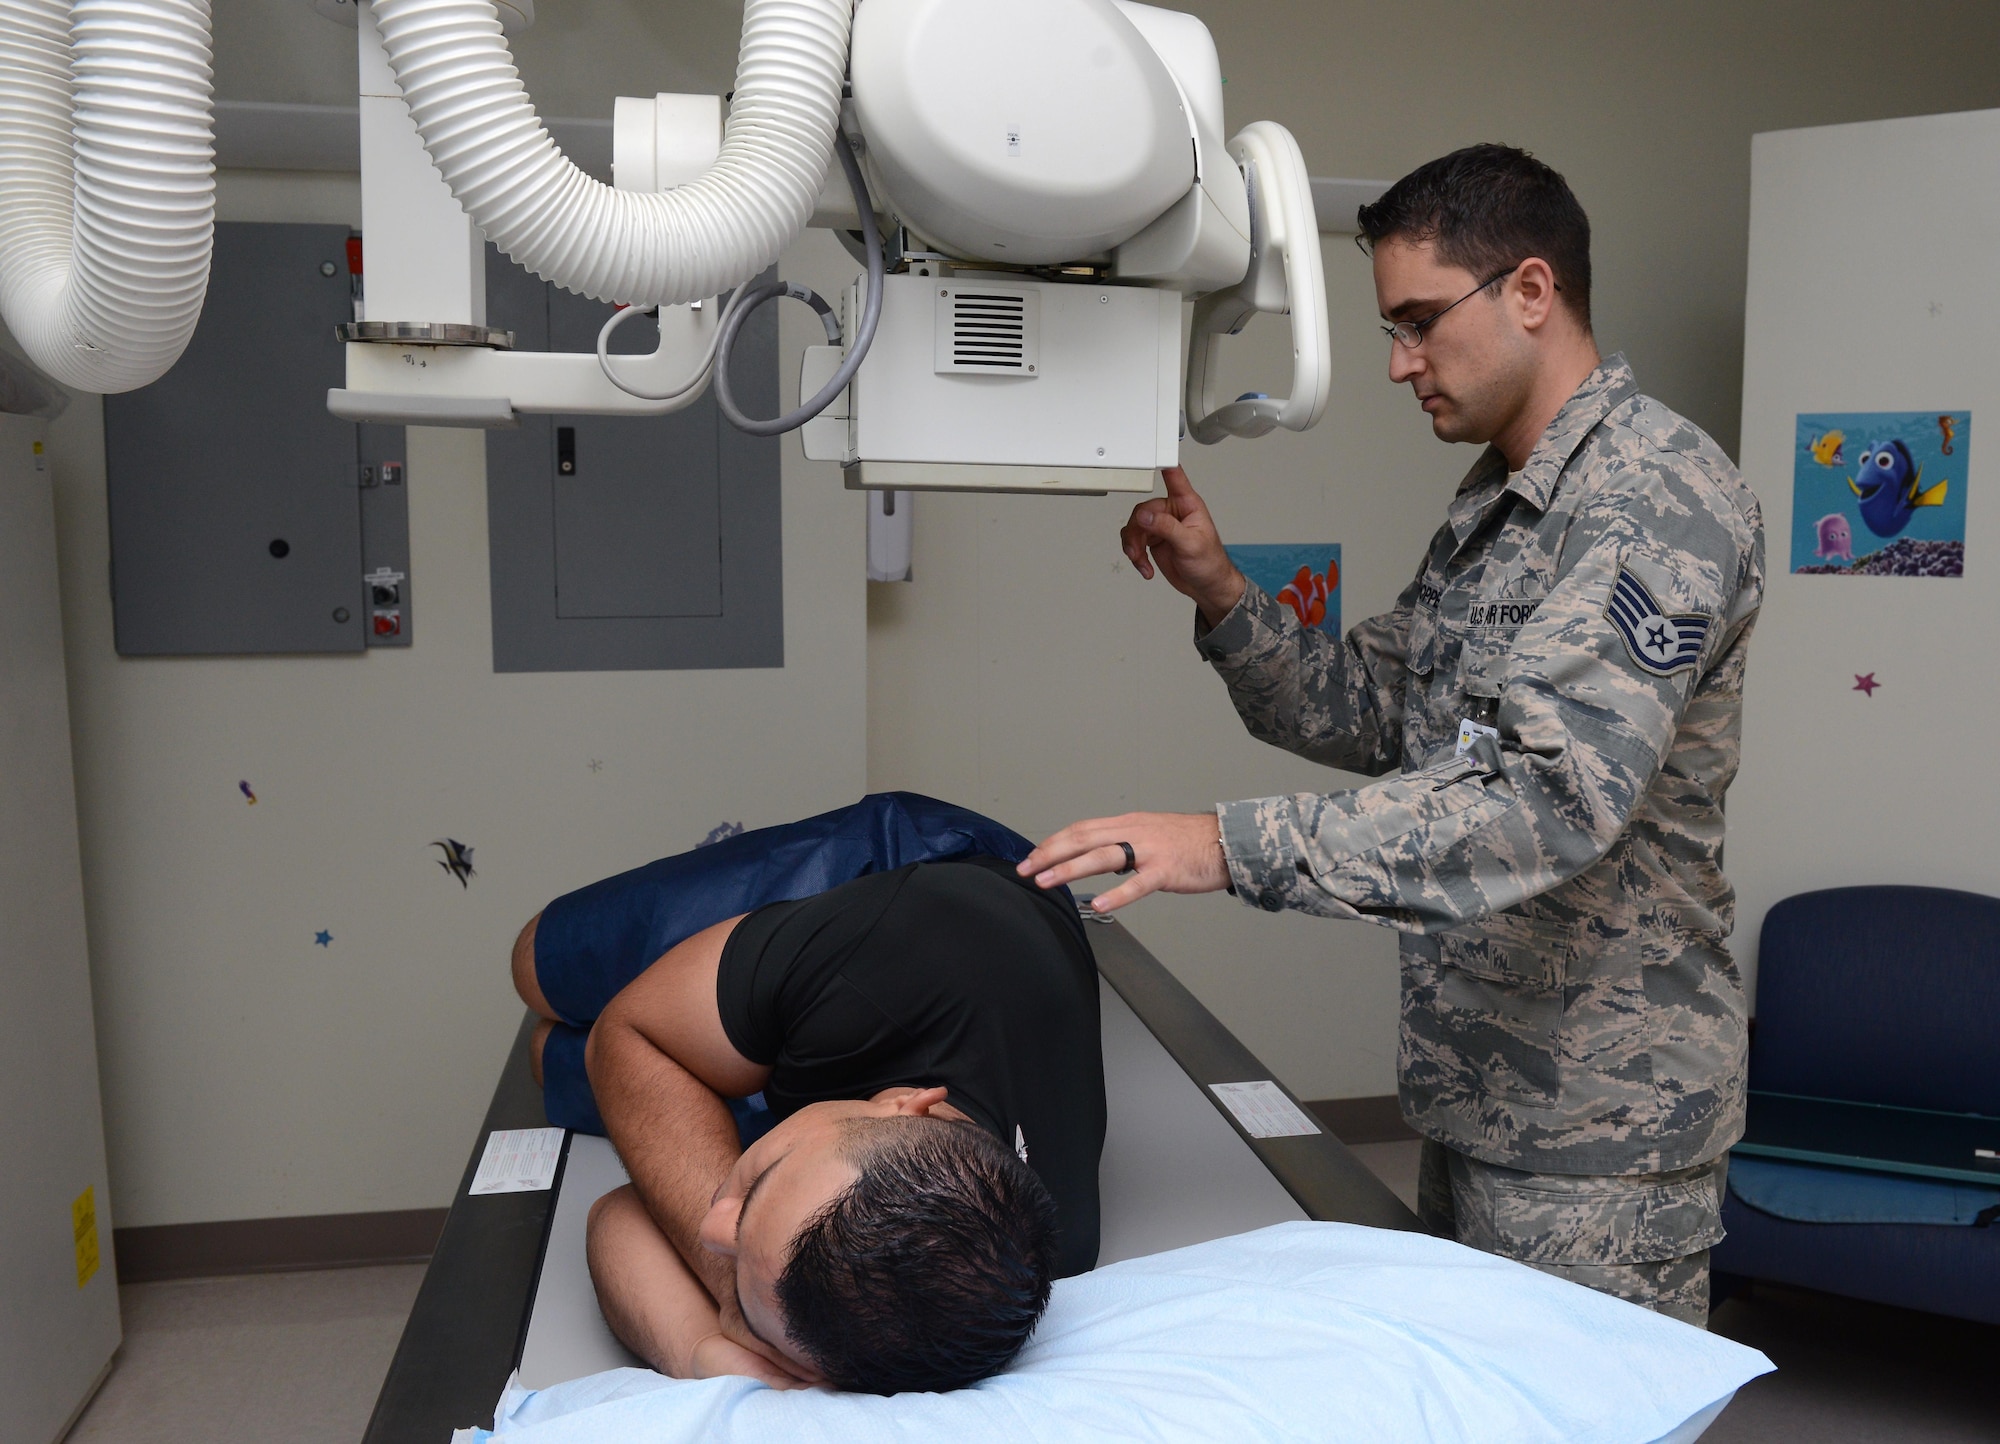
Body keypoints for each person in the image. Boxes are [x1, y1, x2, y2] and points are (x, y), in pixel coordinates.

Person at [1020, 144, 1764, 1325]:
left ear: (1529, 291)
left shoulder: (1652, 498)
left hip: (1598, 1123)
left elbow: (1544, 800)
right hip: (1479, 1081)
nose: (1394, 362)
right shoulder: (1495, 501)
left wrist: (1222, 845)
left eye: (1419, 321)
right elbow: (1377, 711)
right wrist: (1220, 592)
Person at [512, 806, 1105, 1395]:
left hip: (841, 1052)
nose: (711, 1228)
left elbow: (618, 1213)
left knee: (549, 1060)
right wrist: (729, 1286)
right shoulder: (879, 953)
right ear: (906, 1103)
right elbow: (629, 1033)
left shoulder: (1004, 1269)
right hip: (931, 877)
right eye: (755, 1194)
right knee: (537, 968)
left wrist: (707, 1353)